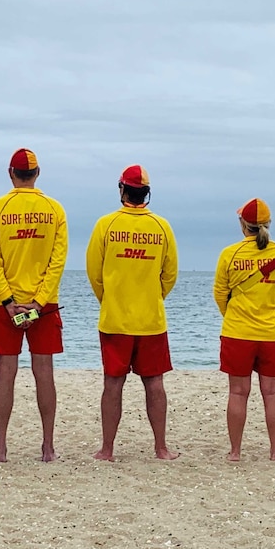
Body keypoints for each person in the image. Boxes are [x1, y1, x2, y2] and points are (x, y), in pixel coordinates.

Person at [86, 164, 180, 461]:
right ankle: (161, 448)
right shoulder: (162, 226)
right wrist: (154, 296)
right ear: (147, 194)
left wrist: (109, 298)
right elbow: (170, 274)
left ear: (122, 189)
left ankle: (108, 449)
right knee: (154, 382)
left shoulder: (106, 224)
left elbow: (94, 272)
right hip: (151, 318)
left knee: (113, 383)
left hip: (115, 318)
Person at [0, 148, 68, 462]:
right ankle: (48, 446)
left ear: (10, 173)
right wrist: (39, 302)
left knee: (5, 374)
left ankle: (1, 447)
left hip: (6, 304)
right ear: (38, 173)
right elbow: (57, 262)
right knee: (44, 373)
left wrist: (8, 302)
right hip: (44, 304)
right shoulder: (54, 209)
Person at [213, 198, 275, 462]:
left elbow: (220, 294)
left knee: (238, 392)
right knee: (273, 392)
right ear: (268, 224)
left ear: (243, 225)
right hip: (274, 332)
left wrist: (235, 315)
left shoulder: (230, 254)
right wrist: (270, 309)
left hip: (238, 332)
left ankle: (235, 452)